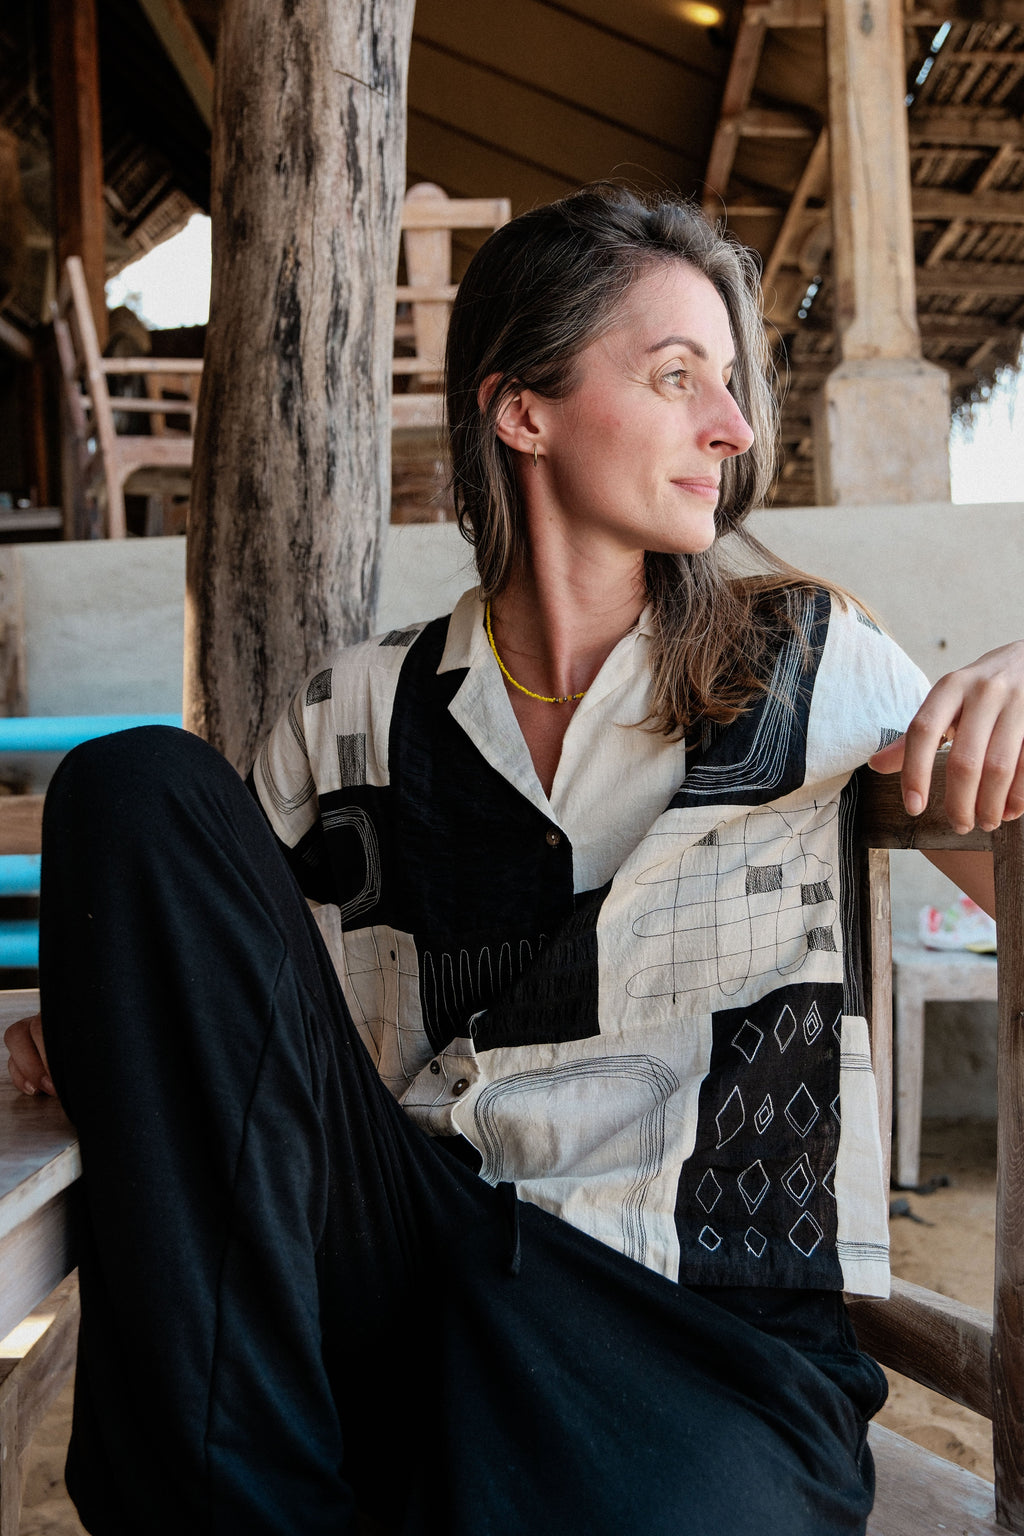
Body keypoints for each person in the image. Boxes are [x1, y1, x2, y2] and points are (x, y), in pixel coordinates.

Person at [6, 184, 1024, 1536]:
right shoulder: (357, 710)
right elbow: (227, 990)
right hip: (415, 1259)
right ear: (522, 410)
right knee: (133, 784)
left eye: (730, 384)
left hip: (696, 1328)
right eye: (677, 376)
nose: (732, 426)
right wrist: (129, 1007)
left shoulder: (811, 663)